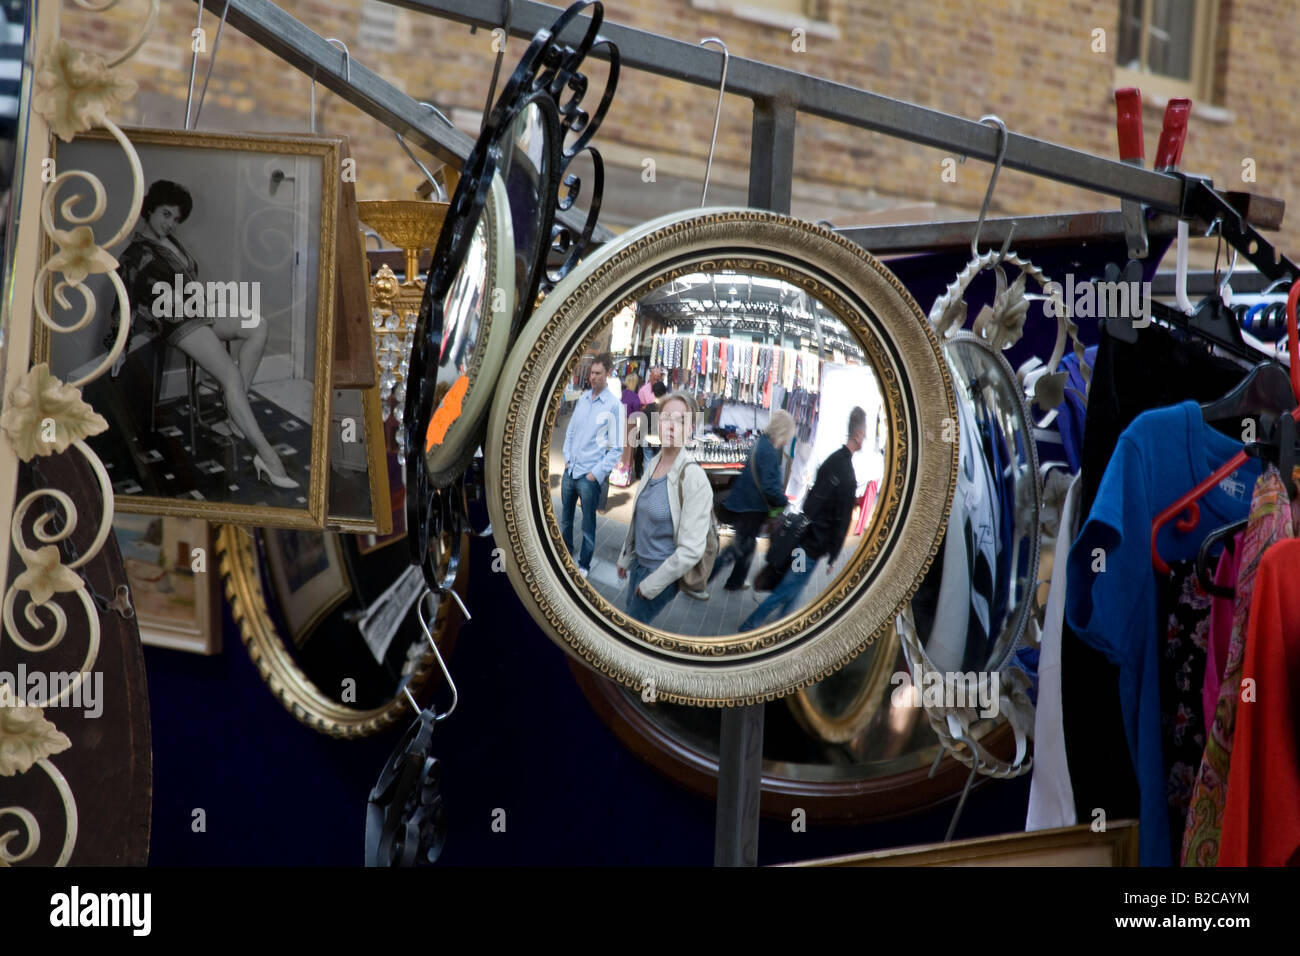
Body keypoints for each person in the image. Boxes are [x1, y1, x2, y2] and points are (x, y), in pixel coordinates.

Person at [107, 180, 297, 488]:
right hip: (175, 320)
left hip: (198, 308)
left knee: (258, 326)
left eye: (176, 219)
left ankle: (236, 414)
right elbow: (123, 302)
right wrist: (119, 344)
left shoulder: (172, 242)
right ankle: (267, 456)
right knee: (230, 378)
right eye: (165, 215)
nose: (170, 224)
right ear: (149, 209)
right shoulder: (134, 254)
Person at [741, 406, 864, 631]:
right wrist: (835, 555)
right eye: (864, 434)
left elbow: (811, 500)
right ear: (858, 435)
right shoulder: (847, 476)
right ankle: (750, 626)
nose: (864, 438)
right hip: (811, 549)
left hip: (803, 541)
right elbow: (842, 521)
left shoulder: (831, 461)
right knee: (788, 588)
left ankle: (784, 628)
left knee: (795, 587)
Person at [617, 391, 713, 625]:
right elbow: (640, 516)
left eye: (681, 421)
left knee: (629, 635)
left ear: (689, 429)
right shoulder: (653, 463)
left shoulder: (694, 479)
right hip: (639, 566)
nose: (671, 425)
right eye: (666, 418)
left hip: (660, 575)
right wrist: (626, 556)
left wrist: (652, 584)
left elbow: (691, 550)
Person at [709, 409, 794, 591]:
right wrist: (783, 500)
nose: (786, 440)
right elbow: (770, 487)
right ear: (781, 432)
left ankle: (735, 582)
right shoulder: (769, 451)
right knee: (737, 549)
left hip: (746, 504)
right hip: (751, 508)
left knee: (746, 547)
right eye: (787, 435)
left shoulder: (761, 443)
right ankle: (702, 581)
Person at [560, 352, 623, 576]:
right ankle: (566, 552)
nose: (593, 377)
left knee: (588, 524)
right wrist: (567, 458)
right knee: (565, 520)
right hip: (571, 470)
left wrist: (595, 474)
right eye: (591, 372)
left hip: (589, 476)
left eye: (598, 373)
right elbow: (570, 432)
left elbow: (617, 448)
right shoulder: (584, 398)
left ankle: (584, 564)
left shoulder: (614, 406)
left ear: (607, 374)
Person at [610, 372, 642, 487]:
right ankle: (623, 478)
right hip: (630, 424)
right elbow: (637, 413)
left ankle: (614, 476)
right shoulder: (635, 397)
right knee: (628, 451)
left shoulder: (621, 394)